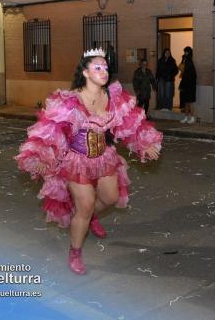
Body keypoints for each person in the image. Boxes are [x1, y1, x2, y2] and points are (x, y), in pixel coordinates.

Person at [15, 48, 162, 275]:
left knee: (112, 198)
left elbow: (129, 124)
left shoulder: (113, 97)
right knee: (84, 206)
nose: (104, 72)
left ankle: (89, 216)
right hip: (78, 161)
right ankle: (75, 252)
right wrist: (38, 157)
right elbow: (49, 130)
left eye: (105, 67)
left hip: (104, 158)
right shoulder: (70, 102)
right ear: (85, 72)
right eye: (97, 68)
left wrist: (146, 143)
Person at [179, 46, 197, 124]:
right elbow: (181, 70)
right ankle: (186, 117)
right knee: (185, 102)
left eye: (186, 52)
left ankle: (192, 118)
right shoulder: (185, 61)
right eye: (184, 52)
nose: (185, 54)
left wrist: (187, 83)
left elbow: (192, 75)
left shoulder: (190, 62)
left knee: (190, 102)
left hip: (190, 85)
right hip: (185, 83)